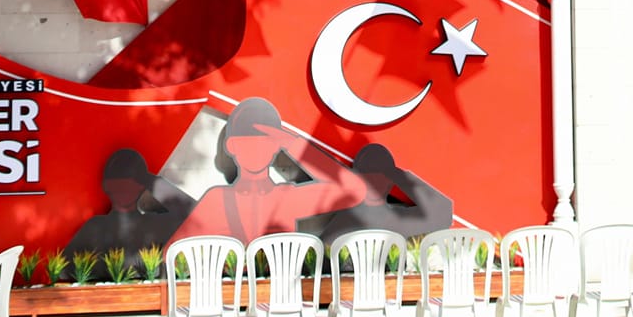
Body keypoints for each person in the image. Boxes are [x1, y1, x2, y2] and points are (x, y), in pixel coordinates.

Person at [169, 98, 371, 243]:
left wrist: (295, 145)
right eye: (247, 144)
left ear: (276, 147)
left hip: (279, 288)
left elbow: (354, 190)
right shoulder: (217, 200)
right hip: (236, 289)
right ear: (232, 146)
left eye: (265, 144)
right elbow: (172, 254)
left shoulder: (286, 197)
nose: (256, 151)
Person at [65, 148, 197, 257]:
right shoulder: (95, 227)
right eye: (116, 188)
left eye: (125, 188)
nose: (120, 194)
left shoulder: (159, 221)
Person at [319, 144, 454, 240]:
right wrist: (398, 176)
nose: (374, 182)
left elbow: (444, 212)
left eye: (380, 176)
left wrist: (398, 175)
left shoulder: (399, 218)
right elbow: (443, 212)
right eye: (369, 176)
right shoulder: (346, 219)